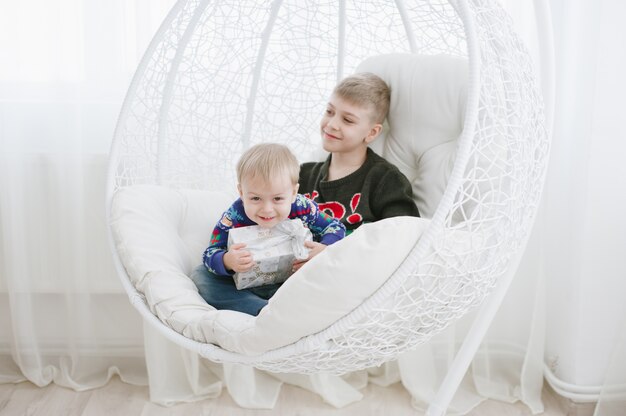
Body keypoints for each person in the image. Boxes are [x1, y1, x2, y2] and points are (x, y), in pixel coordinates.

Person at [190, 143, 346, 316]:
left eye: (278, 199)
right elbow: (210, 252)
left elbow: (335, 227)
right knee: (201, 276)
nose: (267, 209)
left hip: (292, 281)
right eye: (256, 198)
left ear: (293, 193)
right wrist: (227, 260)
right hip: (245, 286)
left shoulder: (302, 208)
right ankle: (264, 311)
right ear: (242, 192)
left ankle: (292, 308)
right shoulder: (234, 215)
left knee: (333, 273)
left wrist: (323, 249)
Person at [298, 72, 419, 254]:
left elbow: (401, 241)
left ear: (371, 133)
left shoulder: (386, 181)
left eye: (347, 120)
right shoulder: (301, 175)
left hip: (348, 274)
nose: (331, 124)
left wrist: (331, 255)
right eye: (329, 112)